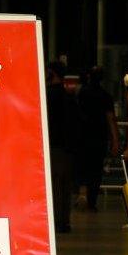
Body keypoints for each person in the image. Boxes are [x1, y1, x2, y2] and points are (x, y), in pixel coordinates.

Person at [76, 66, 120, 211]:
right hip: (99, 137)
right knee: (96, 170)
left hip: (82, 136)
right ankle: (92, 201)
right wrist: (115, 140)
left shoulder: (82, 92)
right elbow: (110, 119)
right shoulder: (105, 95)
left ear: (89, 76)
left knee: (82, 167)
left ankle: (82, 195)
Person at [46, 61, 81, 232]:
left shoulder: (48, 95)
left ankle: (56, 222)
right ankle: (64, 221)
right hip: (68, 148)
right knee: (65, 187)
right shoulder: (69, 96)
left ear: (51, 73)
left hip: (53, 146)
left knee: (54, 187)